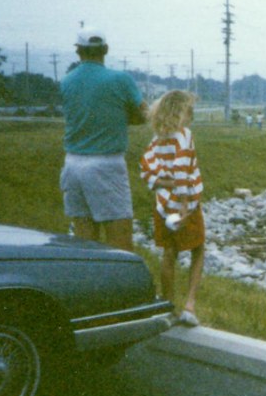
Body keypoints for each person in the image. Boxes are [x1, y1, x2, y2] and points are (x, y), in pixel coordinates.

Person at [59, 27, 147, 251]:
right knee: (120, 240)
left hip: (72, 163)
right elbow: (143, 114)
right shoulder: (121, 79)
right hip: (106, 164)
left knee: (85, 239)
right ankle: (121, 284)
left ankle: (89, 284)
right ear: (105, 50)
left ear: (78, 52)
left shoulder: (67, 81)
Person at [140, 90, 205, 326]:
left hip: (163, 206)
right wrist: (185, 202)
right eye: (189, 109)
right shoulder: (184, 135)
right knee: (198, 249)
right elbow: (182, 170)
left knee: (169, 253)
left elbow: (146, 173)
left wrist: (165, 185)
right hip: (185, 202)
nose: (192, 115)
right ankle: (189, 305)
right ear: (180, 111)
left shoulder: (156, 140)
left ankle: (168, 305)